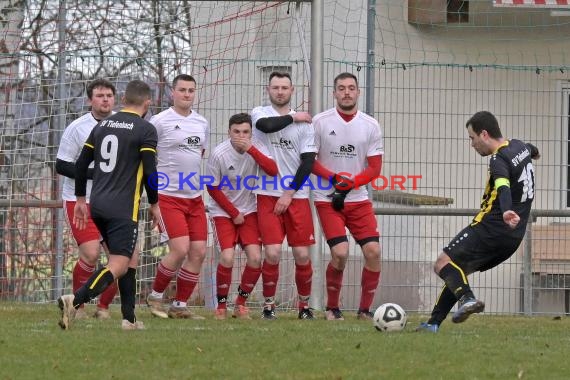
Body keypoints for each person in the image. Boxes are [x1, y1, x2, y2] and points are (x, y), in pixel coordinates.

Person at [417, 110, 540, 332]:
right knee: (458, 271)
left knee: (442, 263)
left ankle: (467, 299)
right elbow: (532, 149)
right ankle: (433, 324)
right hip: (513, 237)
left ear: (484, 134)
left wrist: (505, 210)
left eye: (472, 138)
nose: (472, 145)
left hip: (491, 227)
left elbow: (502, 185)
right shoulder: (520, 147)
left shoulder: (498, 158)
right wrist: (534, 153)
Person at [57, 79, 161, 331]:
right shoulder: (145, 129)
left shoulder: (103, 125)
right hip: (123, 206)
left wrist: (81, 199)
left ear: (122, 99)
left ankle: (129, 319)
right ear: (147, 103)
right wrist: (155, 204)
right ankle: (76, 300)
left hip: (98, 203)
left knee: (131, 258)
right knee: (119, 264)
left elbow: (81, 165)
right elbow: (149, 171)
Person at [311, 72, 383, 321]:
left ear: (358, 92)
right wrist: (334, 179)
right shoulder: (320, 122)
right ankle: (332, 308)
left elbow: (375, 168)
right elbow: (310, 161)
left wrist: (352, 182)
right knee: (340, 253)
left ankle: (364, 311)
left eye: (351, 88)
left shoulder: (370, 125)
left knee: (373, 251)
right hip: (327, 198)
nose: (347, 92)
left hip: (358, 199)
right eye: (341, 88)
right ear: (334, 93)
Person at [251, 71, 316, 320]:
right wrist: (292, 116)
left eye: (284, 88)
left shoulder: (305, 124)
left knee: (301, 254)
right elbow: (267, 127)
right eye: (275, 87)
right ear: (268, 90)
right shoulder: (260, 113)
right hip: (266, 194)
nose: (280, 91)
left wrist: (289, 193)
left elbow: (308, 162)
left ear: (292, 90)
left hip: (296, 196)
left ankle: (304, 306)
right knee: (273, 253)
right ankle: (269, 306)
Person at [146, 74, 209, 320]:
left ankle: (180, 306)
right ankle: (155, 296)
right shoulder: (159, 122)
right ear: (173, 92)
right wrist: (153, 199)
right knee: (180, 250)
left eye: (191, 90)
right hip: (169, 197)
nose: (186, 94)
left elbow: (198, 154)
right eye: (182, 90)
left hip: (194, 198)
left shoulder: (202, 123)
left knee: (199, 252)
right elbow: (148, 158)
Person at [55, 78, 118, 320]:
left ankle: (103, 308)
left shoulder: (122, 126)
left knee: (121, 258)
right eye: (100, 95)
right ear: (90, 100)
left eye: (109, 95)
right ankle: (78, 306)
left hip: (112, 201)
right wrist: (94, 174)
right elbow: (61, 165)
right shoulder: (78, 128)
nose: (105, 99)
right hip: (79, 200)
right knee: (91, 255)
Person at [206, 113, 278, 320]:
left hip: (249, 210)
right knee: (227, 257)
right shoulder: (219, 153)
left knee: (256, 258)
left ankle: (240, 304)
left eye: (245, 132)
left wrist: (251, 150)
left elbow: (273, 170)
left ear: (251, 133)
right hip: (223, 212)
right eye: (236, 132)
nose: (241, 136)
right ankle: (221, 306)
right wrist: (233, 212)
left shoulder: (255, 147)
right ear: (229, 132)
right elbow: (212, 188)